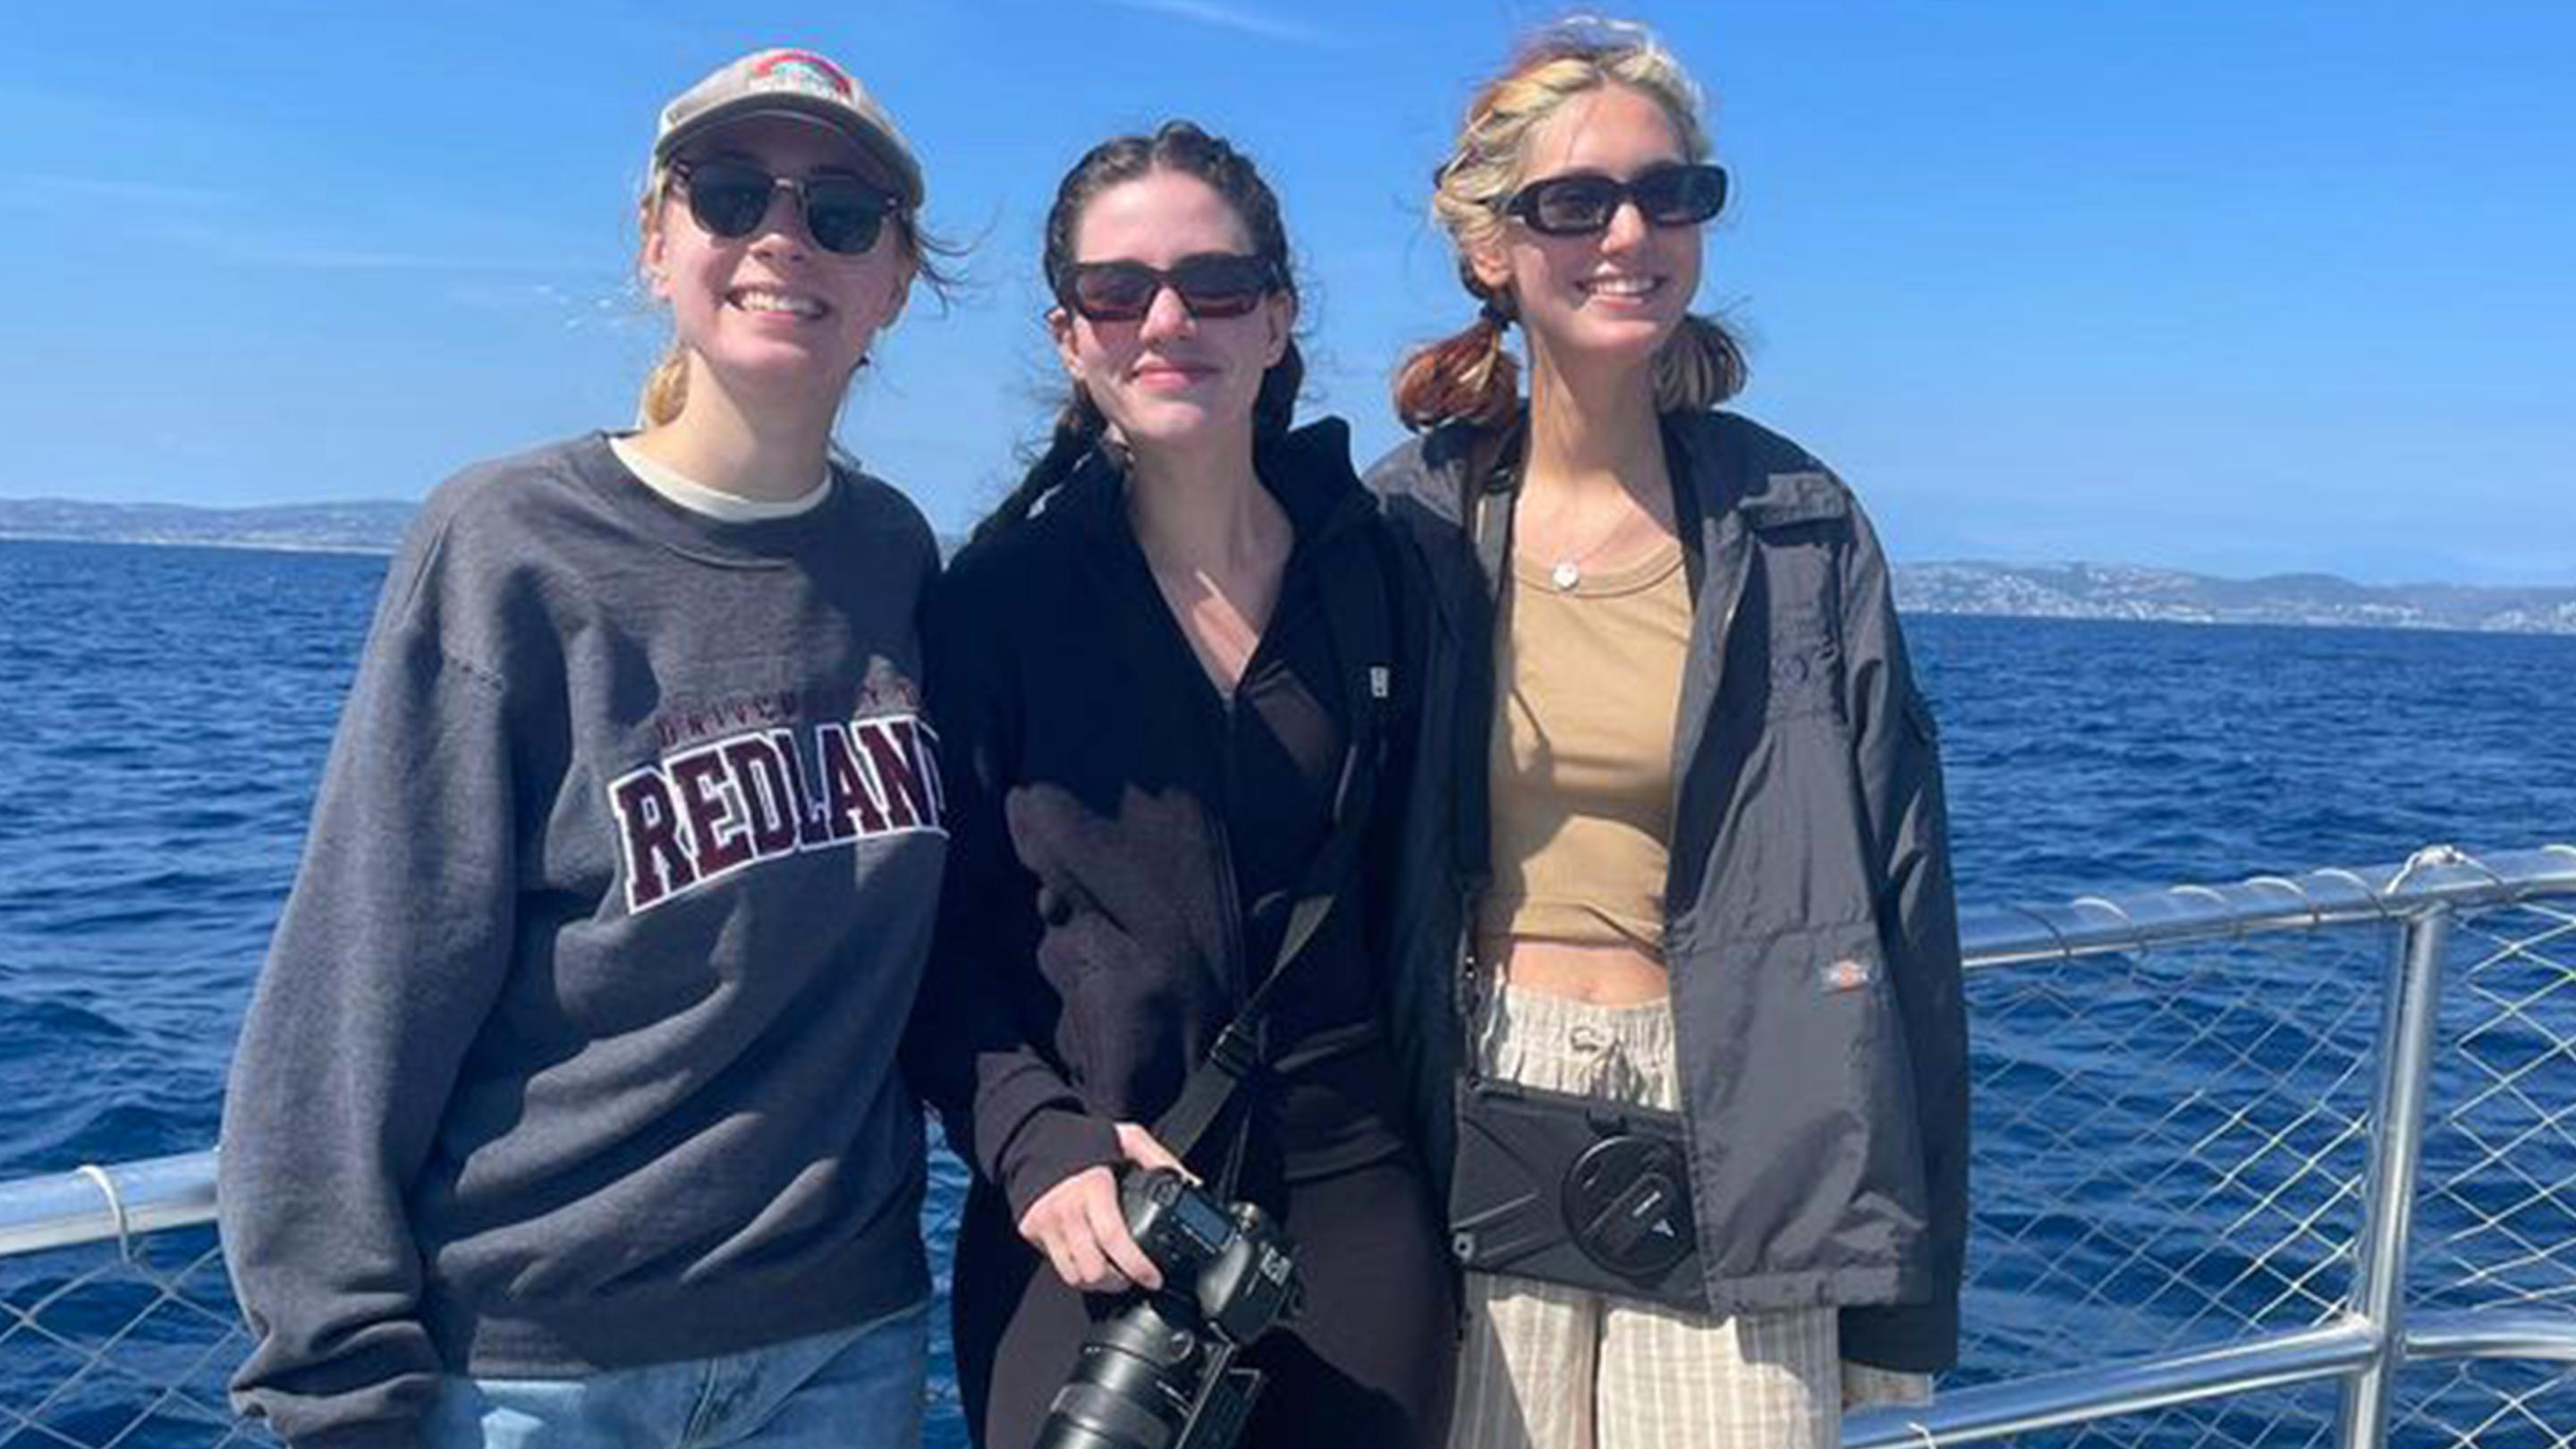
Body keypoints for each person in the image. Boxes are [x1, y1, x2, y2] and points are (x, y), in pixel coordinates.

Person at [218, 47, 952, 1449]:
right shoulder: (506, 543)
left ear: (896, 283)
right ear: (658, 241)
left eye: (841, 215)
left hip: (847, 1349)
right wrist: (334, 1376)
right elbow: (357, 987)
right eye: (732, 195)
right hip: (534, 1376)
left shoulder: (896, 558)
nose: (781, 240)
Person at [1368, 18, 1970, 1448]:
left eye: (1669, 191)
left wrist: (1902, 1295)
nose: (1628, 229)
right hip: (1470, 1105)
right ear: (1493, 248)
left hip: (1749, 1101)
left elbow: (1905, 911)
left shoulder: (1800, 528)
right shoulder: (1404, 523)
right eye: (1575, 201)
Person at [907, 122, 1455, 1449]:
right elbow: (927, 948)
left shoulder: (1385, 577)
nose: (1168, 319)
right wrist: (1037, 1147)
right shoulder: (995, 607)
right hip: (1094, 1216)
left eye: (1215, 286)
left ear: (1275, 321)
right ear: (1068, 336)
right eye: (1118, 290)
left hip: (1357, 1212)